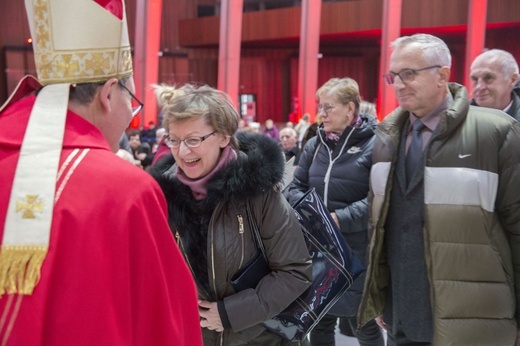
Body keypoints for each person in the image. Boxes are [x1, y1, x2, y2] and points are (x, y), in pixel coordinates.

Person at [0, 1, 202, 344]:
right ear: (108, 94)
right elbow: (165, 324)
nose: (131, 113)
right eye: (132, 101)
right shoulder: (126, 190)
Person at [358, 33, 520, 346]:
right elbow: (379, 226)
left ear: (442, 75)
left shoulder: (495, 132)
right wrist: (381, 291)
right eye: (394, 76)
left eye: (409, 74)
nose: (399, 84)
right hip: (400, 315)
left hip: (472, 319)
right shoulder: (385, 139)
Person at [150, 83, 313, 345]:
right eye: (174, 140)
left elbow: (294, 271)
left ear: (224, 136)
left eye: (193, 140)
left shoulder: (257, 192)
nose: (182, 152)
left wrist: (227, 314)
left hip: (258, 338)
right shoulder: (161, 194)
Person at [284, 77, 384, 346]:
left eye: (329, 107)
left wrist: (340, 219)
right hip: (318, 247)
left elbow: (378, 198)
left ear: (350, 109)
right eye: (321, 106)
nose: (322, 113)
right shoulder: (316, 143)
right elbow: (296, 185)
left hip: (357, 248)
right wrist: (311, 213)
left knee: (363, 323)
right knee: (320, 321)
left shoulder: (374, 144)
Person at [470, 49, 520, 120]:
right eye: (475, 79)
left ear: (512, 79)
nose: (479, 87)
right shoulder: (459, 119)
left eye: (488, 78)